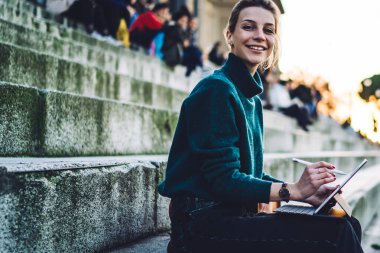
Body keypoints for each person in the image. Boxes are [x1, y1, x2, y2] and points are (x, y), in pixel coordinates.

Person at [158, 0, 364, 252]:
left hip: (232, 214)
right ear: (230, 35)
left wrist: (307, 194)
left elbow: (250, 175)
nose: (259, 36)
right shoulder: (216, 89)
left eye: (268, 30)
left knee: (347, 222)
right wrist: (294, 190)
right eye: (248, 27)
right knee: (336, 234)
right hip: (200, 225)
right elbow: (223, 180)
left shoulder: (251, 98)